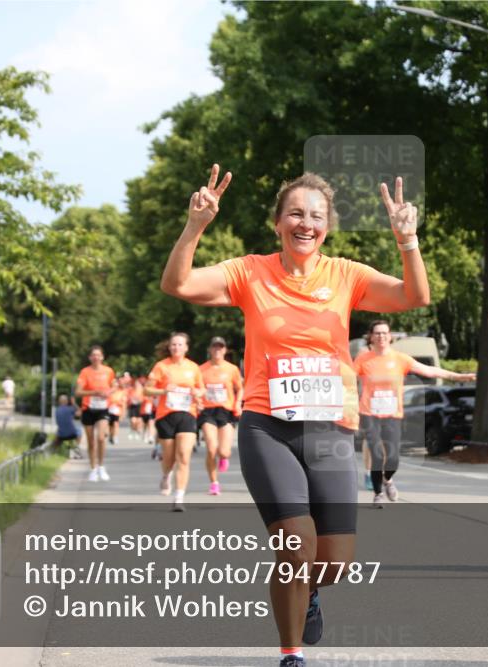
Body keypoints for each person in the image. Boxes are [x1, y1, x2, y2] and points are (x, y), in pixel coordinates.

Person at [161, 164, 429, 667]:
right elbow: (177, 284)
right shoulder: (249, 272)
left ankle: (311, 592)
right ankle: (291, 655)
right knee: (295, 545)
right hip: (269, 426)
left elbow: (415, 297)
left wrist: (407, 241)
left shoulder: (346, 275)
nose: (306, 223)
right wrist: (195, 226)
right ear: (278, 222)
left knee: (332, 563)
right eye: (295, 214)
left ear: (327, 226)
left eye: (317, 216)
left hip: (330, 427)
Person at [354, 320, 475, 508]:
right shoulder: (363, 359)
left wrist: (457, 376)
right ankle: (378, 494)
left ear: (390, 336)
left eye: (384, 333)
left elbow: (429, 370)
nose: (381, 337)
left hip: (393, 414)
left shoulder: (400, 359)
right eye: (377, 333)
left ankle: (388, 480)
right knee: (377, 456)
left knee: (393, 458)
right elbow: (346, 377)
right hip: (370, 414)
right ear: (371, 337)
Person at [145, 332, 205, 511]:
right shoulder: (161, 366)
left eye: (180, 345)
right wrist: (163, 390)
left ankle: (179, 497)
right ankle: (166, 474)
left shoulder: (193, 367)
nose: (176, 348)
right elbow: (147, 390)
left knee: (184, 456)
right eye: (173, 345)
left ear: (186, 347)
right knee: (169, 457)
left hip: (187, 414)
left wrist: (197, 393)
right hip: (166, 415)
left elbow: (202, 390)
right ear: (169, 347)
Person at [198, 336, 244, 495]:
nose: (217, 350)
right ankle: (214, 482)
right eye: (214, 347)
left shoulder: (232, 369)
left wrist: (238, 403)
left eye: (220, 347)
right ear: (210, 349)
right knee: (211, 448)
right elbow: (197, 389)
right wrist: (197, 400)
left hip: (226, 411)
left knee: (224, 451)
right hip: (207, 411)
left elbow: (241, 388)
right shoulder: (201, 369)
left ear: (225, 350)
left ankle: (224, 457)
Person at [75, 346, 116, 482]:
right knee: (91, 442)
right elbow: (78, 392)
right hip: (88, 408)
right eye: (93, 355)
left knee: (100, 438)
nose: (96, 357)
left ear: (102, 357)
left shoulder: (108, 371)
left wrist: (108, 392)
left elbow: (114, 385)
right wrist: (94, 393)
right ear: (89, 358)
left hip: (103, 408)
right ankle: (93, 469)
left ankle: (101, 466)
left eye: (98, 355)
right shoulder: (85, 372)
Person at [107, 378, 128, 446]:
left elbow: (124, 403)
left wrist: (123, 413)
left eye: (116, 384)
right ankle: (111, 435)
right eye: (113, 384)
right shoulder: (109, 392)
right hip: (109, 410)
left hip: (117, 410)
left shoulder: (121, 392)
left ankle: (115, 437)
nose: (115, 386)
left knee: (115, 424)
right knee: (110, 425)